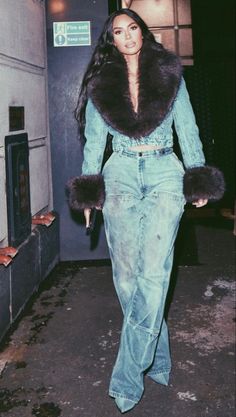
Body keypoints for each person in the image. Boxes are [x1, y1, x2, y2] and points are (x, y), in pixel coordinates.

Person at [67, 8, 225, 413]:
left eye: (132, 28)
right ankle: (157, 358)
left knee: (153, 272)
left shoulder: (170, 72)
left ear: (142, 31)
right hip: (118, 170)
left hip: (163, 173)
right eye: (118, 32)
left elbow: (186, 126)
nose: (127, 36)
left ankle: (126, 376)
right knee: (126, 277)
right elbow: (93, 142)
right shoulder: (103, 82)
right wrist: (90, 194)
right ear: (112, 41)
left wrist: (196, 175)